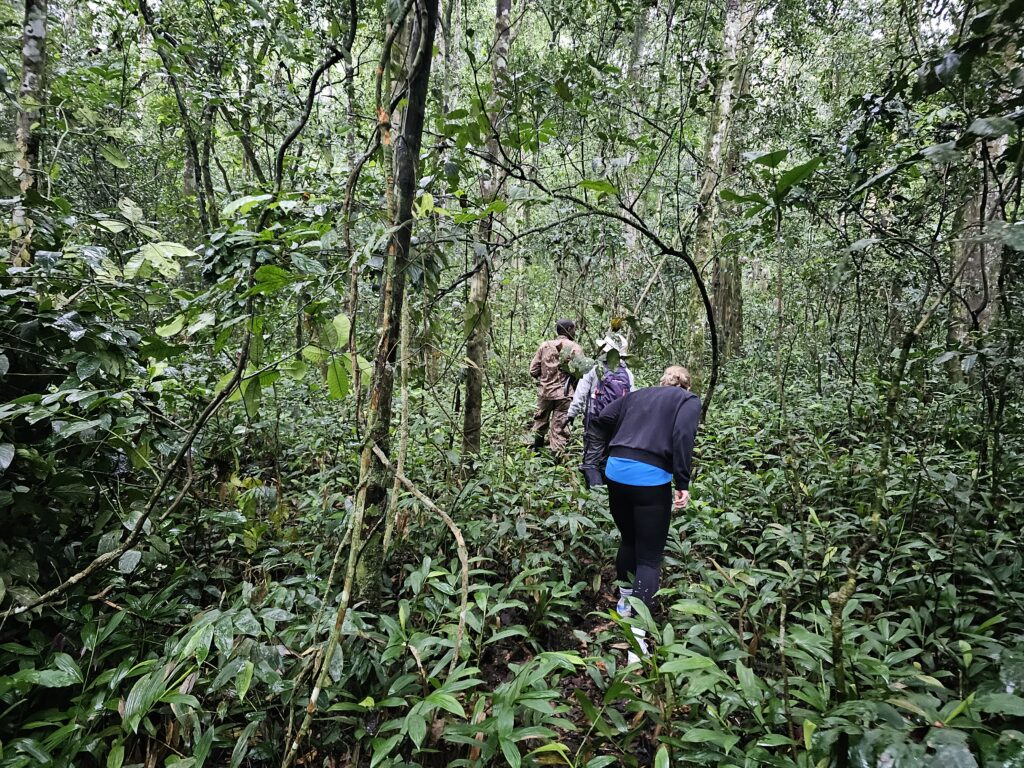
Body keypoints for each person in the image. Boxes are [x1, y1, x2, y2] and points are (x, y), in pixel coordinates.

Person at [591, 365, 700, 663]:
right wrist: (682, 482)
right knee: (649, 558)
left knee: (629, 540)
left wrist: (600, 457)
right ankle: (637, 639)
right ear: (686, 387)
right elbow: (683, 435)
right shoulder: (687, 402)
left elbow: (601, 419)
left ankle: (626, 603)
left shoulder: (636, 396)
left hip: (616, 469)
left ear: (662, 381)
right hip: (650, 479)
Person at [566, 333, 636, 487]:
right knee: (607, 459)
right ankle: (608, 494)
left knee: (591, 462)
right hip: (618, 424)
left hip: (596, 420)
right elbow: (632, 399)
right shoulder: (627, 373)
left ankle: (596, 500)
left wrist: (571, 414)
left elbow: (581, 393)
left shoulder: (594, 368)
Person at [528, 319, 583, 457]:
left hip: (545, 392)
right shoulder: (575, 347)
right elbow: (581, 372)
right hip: (565, 394)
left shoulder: (544, 346)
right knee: (559, 427)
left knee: (540, 421)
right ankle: (555, 460)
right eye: (574, 329)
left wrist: (546, 379)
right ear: (569, 329)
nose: (575, 332)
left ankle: (537, 452)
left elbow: (533, 370)